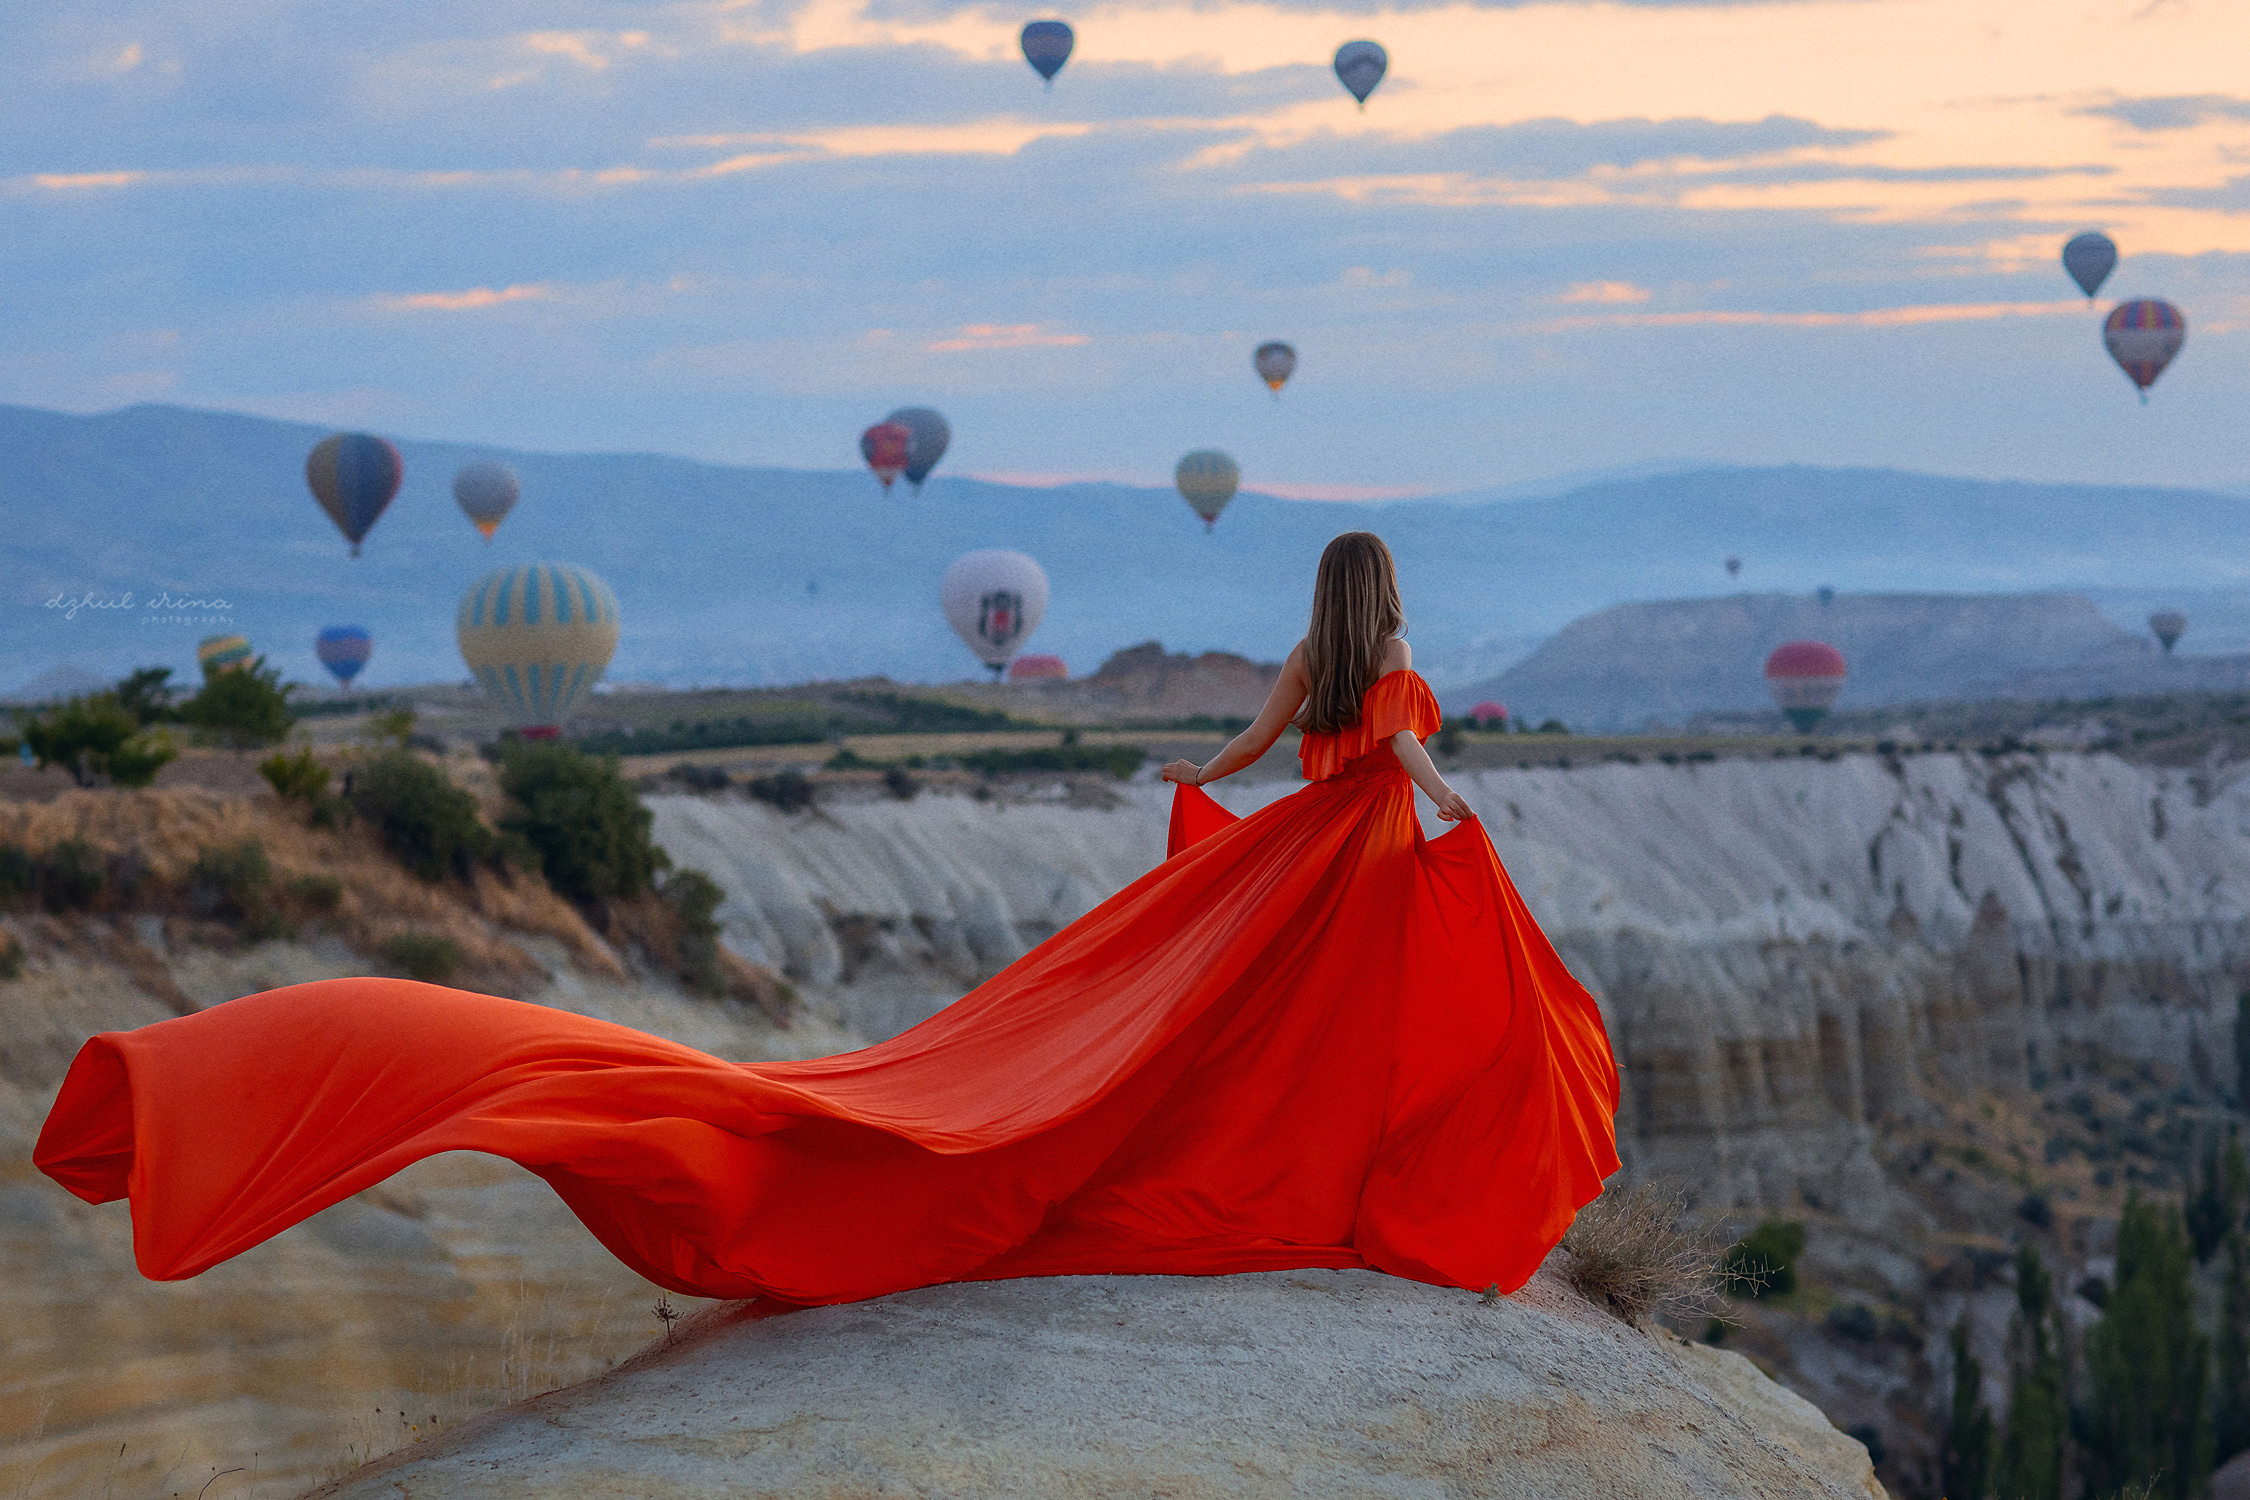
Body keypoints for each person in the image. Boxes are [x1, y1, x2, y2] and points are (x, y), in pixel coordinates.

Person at [36, 532, 1618, 1308]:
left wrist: (1185, 782)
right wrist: (1462, 824)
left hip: (1284, 867)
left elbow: (1252, 751)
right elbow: (1410, 766)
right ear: (1388, 590)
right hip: (1355, 877)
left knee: (1223, 1045)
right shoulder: (1396, 666)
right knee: (1340, 1048)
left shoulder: (1302, 655)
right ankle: (1361, 1187)